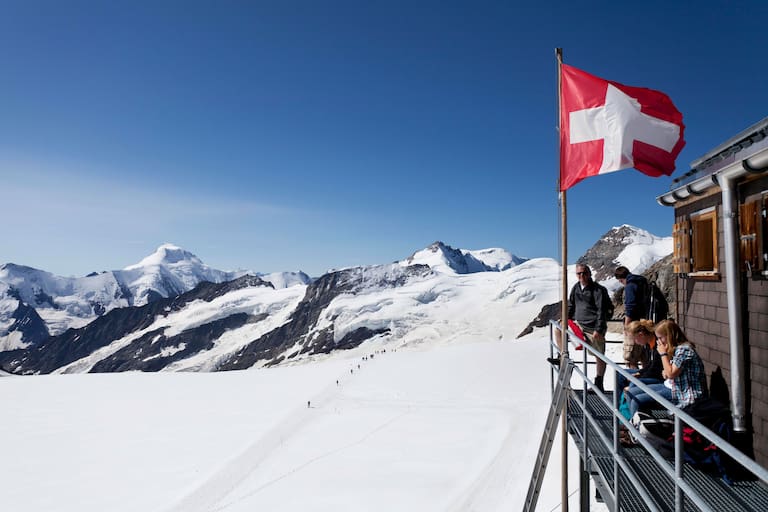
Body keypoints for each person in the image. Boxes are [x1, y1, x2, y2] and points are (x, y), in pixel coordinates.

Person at [549, 264, 609, 392]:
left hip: (593, 328)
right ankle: (563, 356)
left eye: (584, 273)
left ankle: (599, 381)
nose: (581, 276)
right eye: (579, 273)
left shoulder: (598, 290)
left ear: (589, 273)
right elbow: (571, 305)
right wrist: (566, 319)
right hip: (579, 324)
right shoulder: (576, 288)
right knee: (559, 329)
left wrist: (599, 329)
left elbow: (601, 310)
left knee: (599, 356)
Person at [620, 320, 668, 420]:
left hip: (659, 378)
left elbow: (656, 368)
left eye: (634, 339)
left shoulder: (657, 345)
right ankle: (622, 412)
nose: (635, 342)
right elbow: (650, 365)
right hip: (656, 374)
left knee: (633, 385)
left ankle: (630, 420)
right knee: (621, 374)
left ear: (641, 335)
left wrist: (639, 375)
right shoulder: (649, 345)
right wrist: (639, 373)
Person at [655, 319, 708, 409]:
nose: (659, 342)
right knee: (636, 393)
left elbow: (671, 374)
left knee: (640, 399)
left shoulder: (684, 350)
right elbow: (667, 373)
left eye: (660, 338)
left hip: (690, 398)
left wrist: (663, 354)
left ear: (669, 336)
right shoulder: (676, 350)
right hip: (679, 394)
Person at [614, 266, 648, 369]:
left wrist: (626, 326)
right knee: (643, 357)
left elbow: (630, 307)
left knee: (630, 358)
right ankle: (646, 380)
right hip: (645, 323)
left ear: (620, 279)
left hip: (634, 326)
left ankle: (635, 383)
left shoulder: (630, 286)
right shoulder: (641, 282)